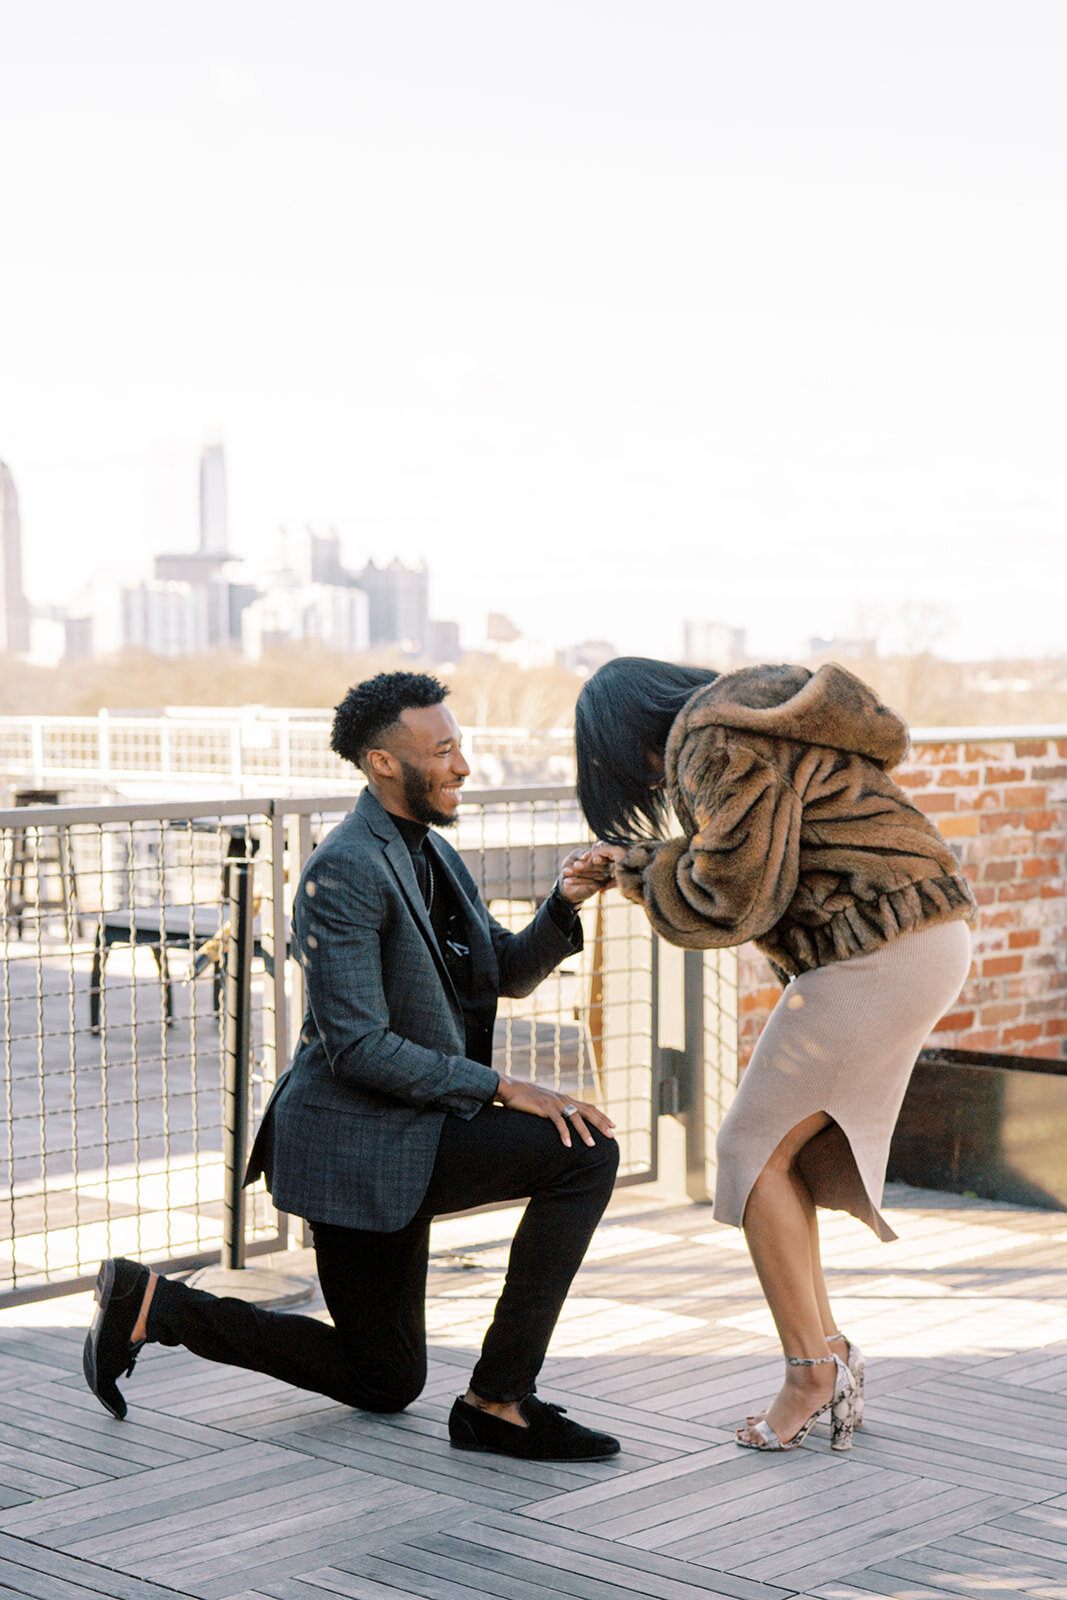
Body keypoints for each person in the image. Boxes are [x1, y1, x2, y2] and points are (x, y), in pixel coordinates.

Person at [85, 671, 621, 1462]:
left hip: (415, 1129)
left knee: (385, 1379)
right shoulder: (342, 870)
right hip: (355, 1143)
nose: (463, 766)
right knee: (582, 1154)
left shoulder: (433, 853)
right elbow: (359, 1045)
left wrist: (564, 902)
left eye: (459, 745)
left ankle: (154, 1306)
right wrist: (507, 1087)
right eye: (442, 751)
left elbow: (499, 972)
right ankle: (499, 1402)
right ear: (381, 763)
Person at [575, 657, 975, 1453]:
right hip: (913, 934)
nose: (648, 782)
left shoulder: (712, 740)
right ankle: (824, 1353)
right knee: (773, 1153)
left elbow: (730, 892)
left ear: (631, 739)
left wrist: (631, 870)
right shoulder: (760, 716)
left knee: (747, 1150)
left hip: (874, 946)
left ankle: (810, 1374)